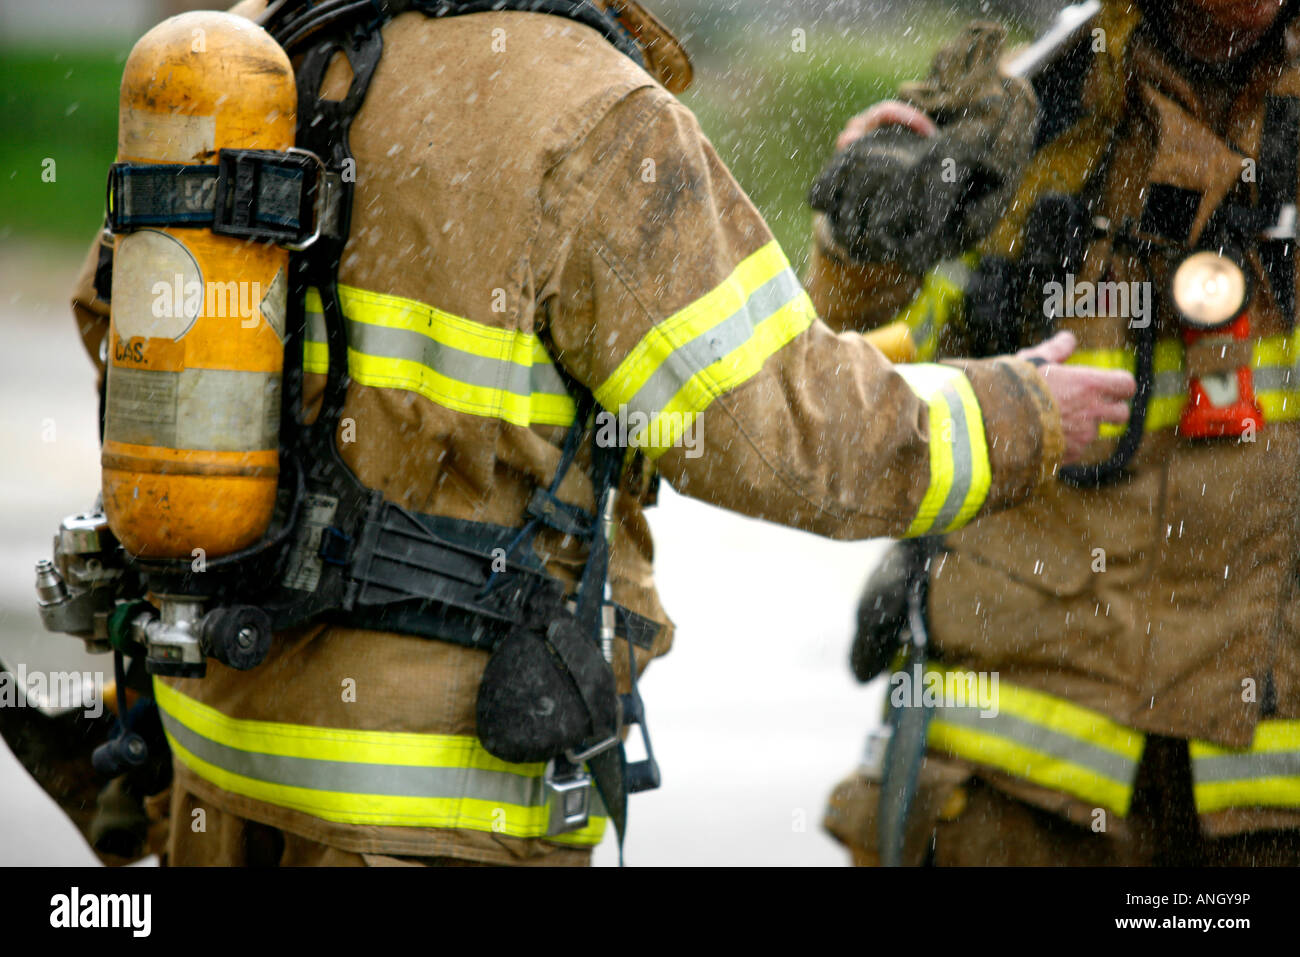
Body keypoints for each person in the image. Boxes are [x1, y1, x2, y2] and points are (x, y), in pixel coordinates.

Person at [44, 0, 1132, 867]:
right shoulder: (595, 114)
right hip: (430, 806)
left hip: (218, 771)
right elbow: (798, 439)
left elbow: (118, 316)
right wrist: (1023, 411)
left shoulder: (276, 42)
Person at [817, 0, 1300, 866]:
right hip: (1018, 790)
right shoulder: (1027, 114)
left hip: (1267, 788)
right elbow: (839, 377)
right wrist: (863, 231)